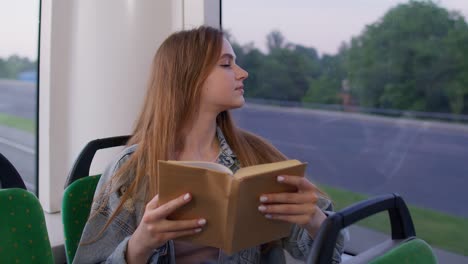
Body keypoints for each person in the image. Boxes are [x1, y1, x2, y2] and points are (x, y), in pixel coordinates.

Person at [73, 26, 344, 264]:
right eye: (227, 64)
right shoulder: (131, 170)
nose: (243, 73)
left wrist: (316, 221)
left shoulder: (257, 156)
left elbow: (328, 254)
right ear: (188, 78)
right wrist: (139, 245)